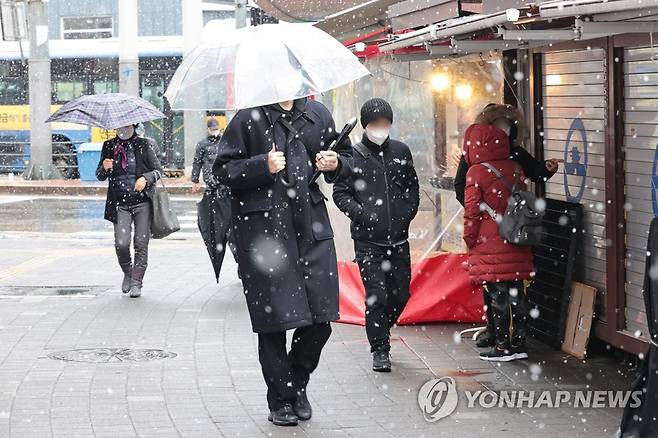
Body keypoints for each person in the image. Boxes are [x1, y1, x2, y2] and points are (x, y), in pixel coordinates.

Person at [213, 97, 351, 426]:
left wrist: (336, 163)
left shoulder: (317, 114)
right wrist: (262, 165)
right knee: (274, 323)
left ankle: (296, 382)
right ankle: (281, 400)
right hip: (265, 236)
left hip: (311, 230)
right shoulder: (248, 118)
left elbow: (346, 156)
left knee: (321, 319)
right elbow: (222, 171)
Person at [455, 104, 559, 349]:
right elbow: (462, 187)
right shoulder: (475, 158)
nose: (505, 130)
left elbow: (535, 172)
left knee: (501, 284)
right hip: (505, 229)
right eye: (500, 125)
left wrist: (546, 169)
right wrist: (484, 211)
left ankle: (504, 340)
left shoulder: (512, 154)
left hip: (510, 229)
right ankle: (502, 335)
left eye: (507, 125)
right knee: (499, 285)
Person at [333, 98, 419, 372]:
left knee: (400, 294)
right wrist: (364, 215)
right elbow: (340, 193)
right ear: (365, 125)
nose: (380, 128)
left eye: (385, 123)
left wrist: (406, 213)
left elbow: (412, 187)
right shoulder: (353, 155)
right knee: (377, 296)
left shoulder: (401, 151)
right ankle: (380, 348)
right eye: (374, 124)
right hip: (368, 241)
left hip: (399, 239)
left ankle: (381, 326)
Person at [461, 107, 535, 362]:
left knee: (497, 294)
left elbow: (471, 211)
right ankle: (520, 342)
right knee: (517, 292)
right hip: (516, 236)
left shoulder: (476, 172)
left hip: (488, 240)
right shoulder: (515, 167)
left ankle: (502, 346)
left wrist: (469, 239)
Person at [96, 124, 163, 298]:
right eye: (119, 125)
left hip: (142, 203)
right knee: (121, 243)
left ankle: (137, 282)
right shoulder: (109, 146)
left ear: (133, 125)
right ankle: (127, 271)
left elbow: (158, 171)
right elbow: (100, 175)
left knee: (141, 244)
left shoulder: (144, 144)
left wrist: (146, 179)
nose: (123, 128)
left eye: (126, 125)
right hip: (120, 204)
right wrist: (104, 167)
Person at [192, 117, 238, 270]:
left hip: (227, 188)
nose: (215, 131)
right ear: (208, 129)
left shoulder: (226, 141)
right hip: (212, 189)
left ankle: (239, 261)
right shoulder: (202, 145)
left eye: (216, 128)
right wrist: (195, 180)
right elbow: (197, 162)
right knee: (217, 228)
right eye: (212, 129)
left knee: (232, 231)